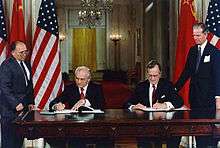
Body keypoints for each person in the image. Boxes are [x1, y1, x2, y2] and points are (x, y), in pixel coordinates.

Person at [174, 22, 220, 147]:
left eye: (198, 35)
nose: (195, 38)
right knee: (198, 132)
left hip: (209, 100)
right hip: (194, 98)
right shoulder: (193, 51)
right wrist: (175, 88)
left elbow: (217, 77)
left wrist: (218, 98)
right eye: (194, 35)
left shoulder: (214, 52)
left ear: (206, 34)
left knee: (208, 133)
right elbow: (186, 72)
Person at [124, 60, 183, 148]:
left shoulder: (167, 85)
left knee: (175, 135)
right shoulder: (141, 86)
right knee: (142, 138)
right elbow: (126, 103)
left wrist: (165, 105)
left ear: (160, 74)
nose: (152, 78)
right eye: (150, 75)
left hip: (164, 124)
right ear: (147, 74)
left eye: (155, 75)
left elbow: (179, 101)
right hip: (146, 125)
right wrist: (133, 107)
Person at [48, 66, 106, 148]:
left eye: (82, 79)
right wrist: (56, 106)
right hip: (74, 127)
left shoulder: (96, 88)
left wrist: (85, 101)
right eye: (77, 78)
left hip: (93, 125)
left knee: (106, 139)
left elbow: (102, 105)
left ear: (88, 79)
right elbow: (52, 103)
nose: (78, 82)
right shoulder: (70, 88)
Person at [0, 41, 34, 148]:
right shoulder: (7, 65)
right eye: (21, 52)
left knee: (19, 140)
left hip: (23, 109)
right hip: (10, 111)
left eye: (26, 52)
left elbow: (28, 86)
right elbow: (4, 87)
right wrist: (15, 103)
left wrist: (30, 102)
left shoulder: (26, 64)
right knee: (10, 142)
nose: (24, 54)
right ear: (13, 53)